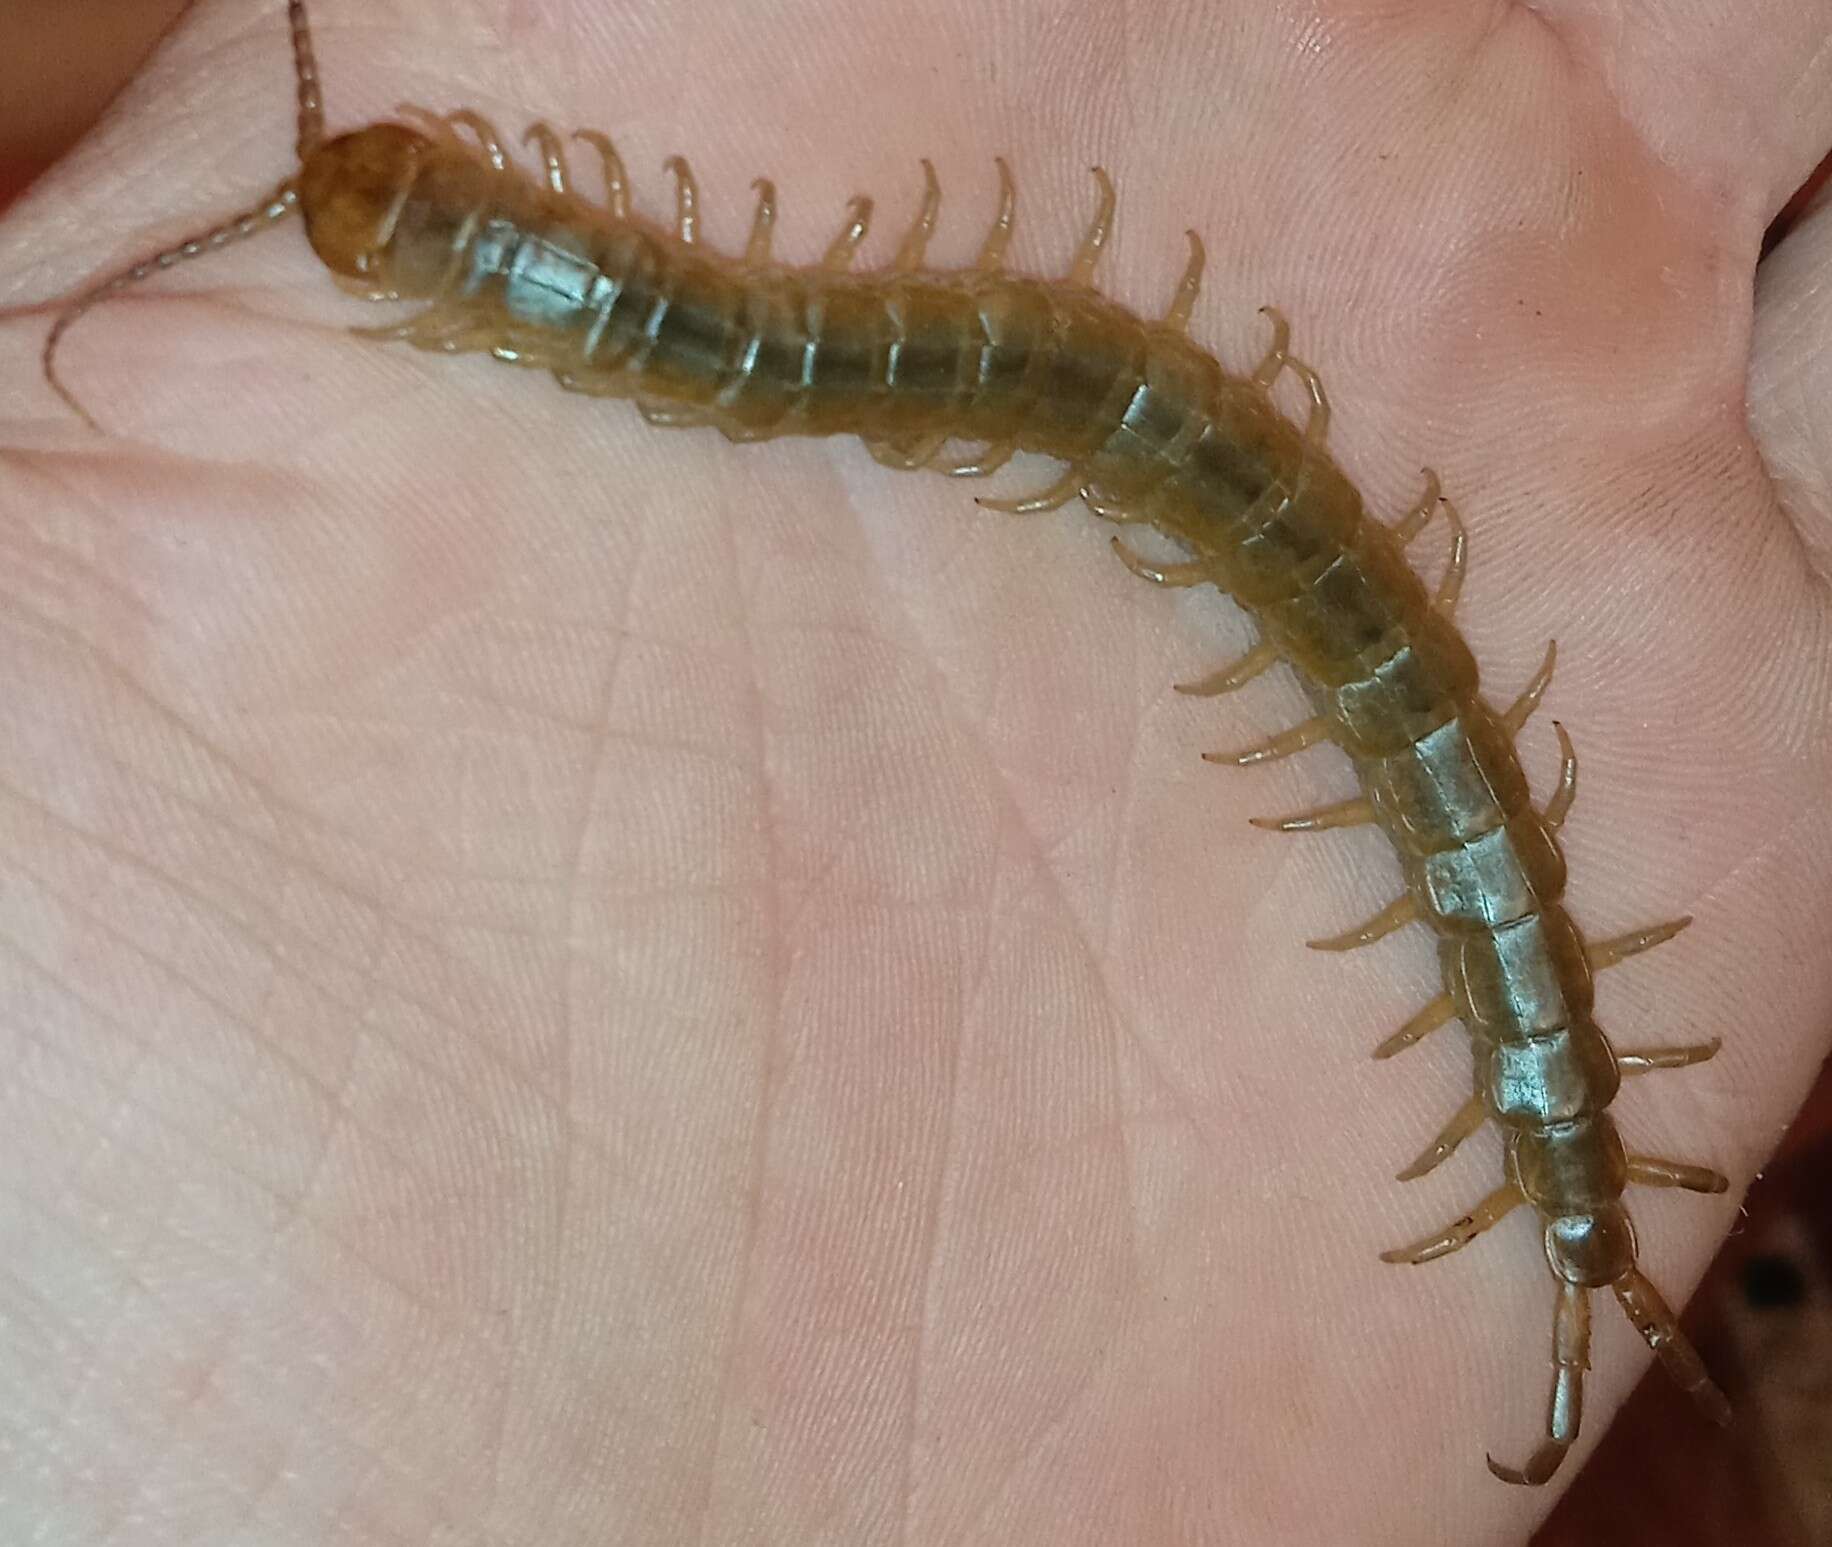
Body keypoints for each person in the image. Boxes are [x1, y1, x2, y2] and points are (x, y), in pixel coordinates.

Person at [1, 1, 1829, 1540]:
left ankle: (1576, 1191)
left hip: (1441, 838)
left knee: (1125, 454)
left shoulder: (686, 321)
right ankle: (1584, 1209)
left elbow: (821, 364)